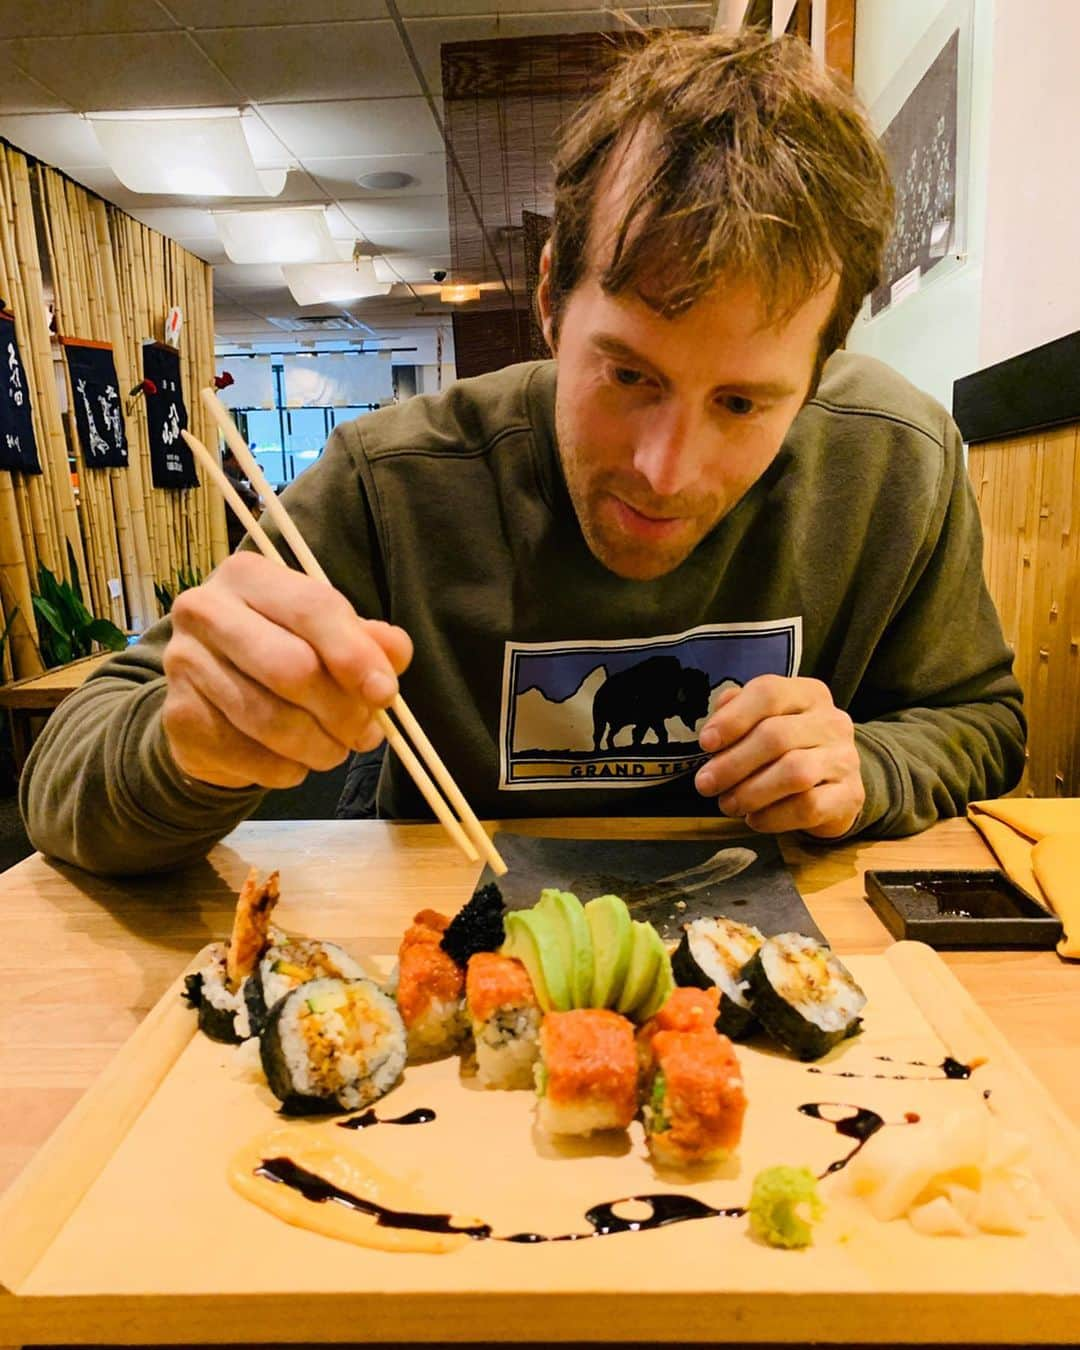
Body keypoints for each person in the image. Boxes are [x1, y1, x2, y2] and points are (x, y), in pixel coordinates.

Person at [20, 30, 1024, 876]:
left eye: (744, 402)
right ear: (550, 298)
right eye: (627, 375)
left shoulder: (896, 461)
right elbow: (62, 778)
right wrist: (193, 749)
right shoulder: (393, 482)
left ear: (821, 368)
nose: (666, 471)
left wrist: (870, 767)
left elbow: (980, 721)